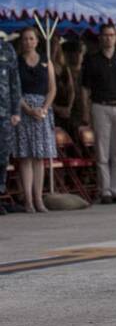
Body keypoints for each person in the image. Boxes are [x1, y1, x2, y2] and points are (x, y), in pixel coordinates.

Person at [80, 23, 116, 203]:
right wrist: (86, 112)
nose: (108, 38)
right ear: (100, 38)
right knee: (102, 150)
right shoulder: (91, 59)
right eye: (105, 35)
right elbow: (85, 88)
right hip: (100, 105)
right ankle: (105, 191)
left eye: (111, 35)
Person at [12, 27, 57, 212]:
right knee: (26, 156)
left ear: (37, 41)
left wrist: (44, 108)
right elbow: (14, 88)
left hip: (42, 109)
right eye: (25, 39)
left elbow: (52, 88)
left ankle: (39, 198)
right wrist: (28, 109)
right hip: (24, 108)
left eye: (31, 39)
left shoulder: (46, 61)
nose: (28, 42)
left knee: (40, 157)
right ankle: (28, 200)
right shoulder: (16, 62)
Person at [0, 35, 22, 212]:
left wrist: (16, 110)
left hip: (5, 113)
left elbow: (15, 82)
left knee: (3, 156)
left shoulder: (7, 49)